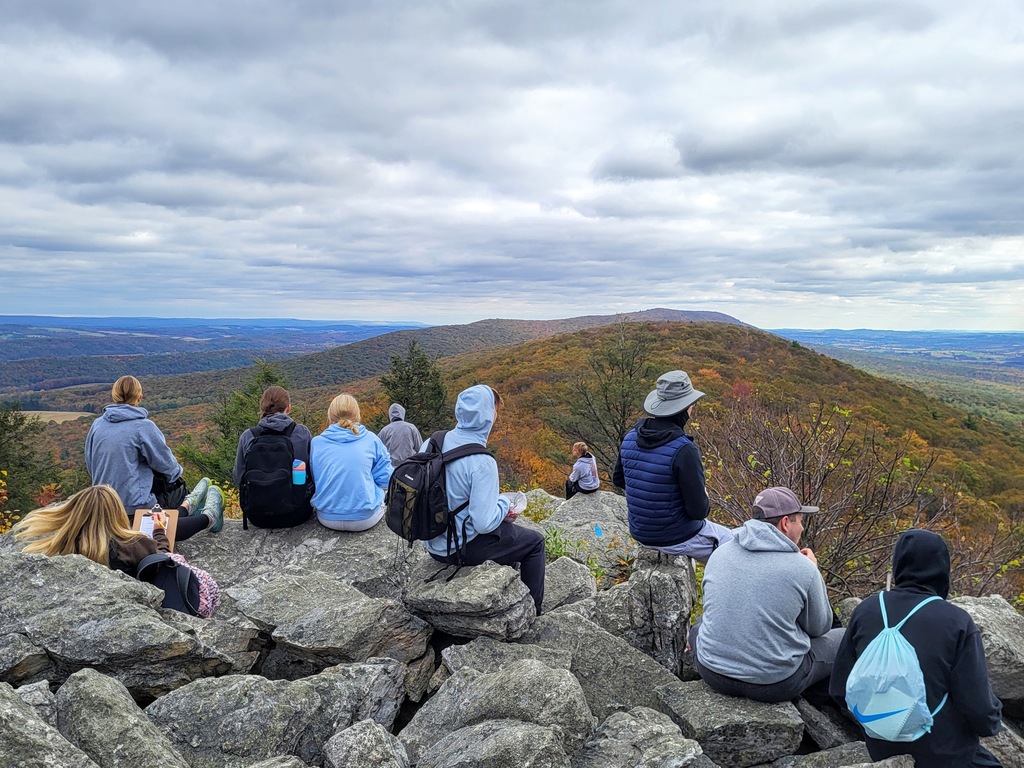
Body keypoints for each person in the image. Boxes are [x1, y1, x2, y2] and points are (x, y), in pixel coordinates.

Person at [830, 530, 1003, 767]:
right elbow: (979, 710)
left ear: (898, 563)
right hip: (941, 752)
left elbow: (840, 690)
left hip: (880, 746)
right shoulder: (957, 621)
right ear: (943, 568)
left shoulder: (867, 609)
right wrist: (995, 721)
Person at [692, 486, 845, 703]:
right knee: (844, 637)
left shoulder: (721, 550)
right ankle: (828, 701)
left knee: (701, 624)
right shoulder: (803, 568)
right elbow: (819, 628)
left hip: (713, 673)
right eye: (800, 521)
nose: (801, 528)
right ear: (785, 523)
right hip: (775, 684)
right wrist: (814, 573)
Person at [422, 385, 546, 615]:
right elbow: (483, 523)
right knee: (535, 543)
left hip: (431, 542)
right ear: (488, 416)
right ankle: (532, 612)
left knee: (510, 536)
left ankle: (507, 587)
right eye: (495, 410)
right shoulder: (481, 460)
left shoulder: (433, 442)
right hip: (459, 548)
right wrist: (504, 504)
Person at [612, 370, 733, 563]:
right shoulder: (684, 450)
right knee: (735, 546)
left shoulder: (630, 437)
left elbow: (618, 479)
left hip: (640, 532)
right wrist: (704, 496)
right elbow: (699, 512)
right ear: (685, 408)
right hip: (675, 537)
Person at [84, 375, 222, 539]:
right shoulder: (143, 427)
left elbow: (90, 464)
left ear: (114, 396)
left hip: (102, 504)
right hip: (134, 508)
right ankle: (202, 511)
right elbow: (169, 468)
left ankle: (191, 503)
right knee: (177, 491)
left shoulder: (97, 424)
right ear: (139, 396)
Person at [14, 484, 173, 576]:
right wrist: (159, 530)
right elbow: (164, 561)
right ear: (117, 511)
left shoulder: (65, 546)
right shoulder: (135, 544)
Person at [233, 385, 314, 528]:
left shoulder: (248, 436)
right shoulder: (302, 433)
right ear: (288, 408)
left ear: (263, 408)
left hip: (257, 517)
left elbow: (239, 476)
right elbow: (313, 474)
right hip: (297, 514)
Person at [310, 393, 393, 531]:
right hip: (365, 519)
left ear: (330, 417)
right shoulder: (371, 439)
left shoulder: (316, 442)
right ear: (357, 416)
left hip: (327, 517)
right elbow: (386, 479)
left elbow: (316, 478)